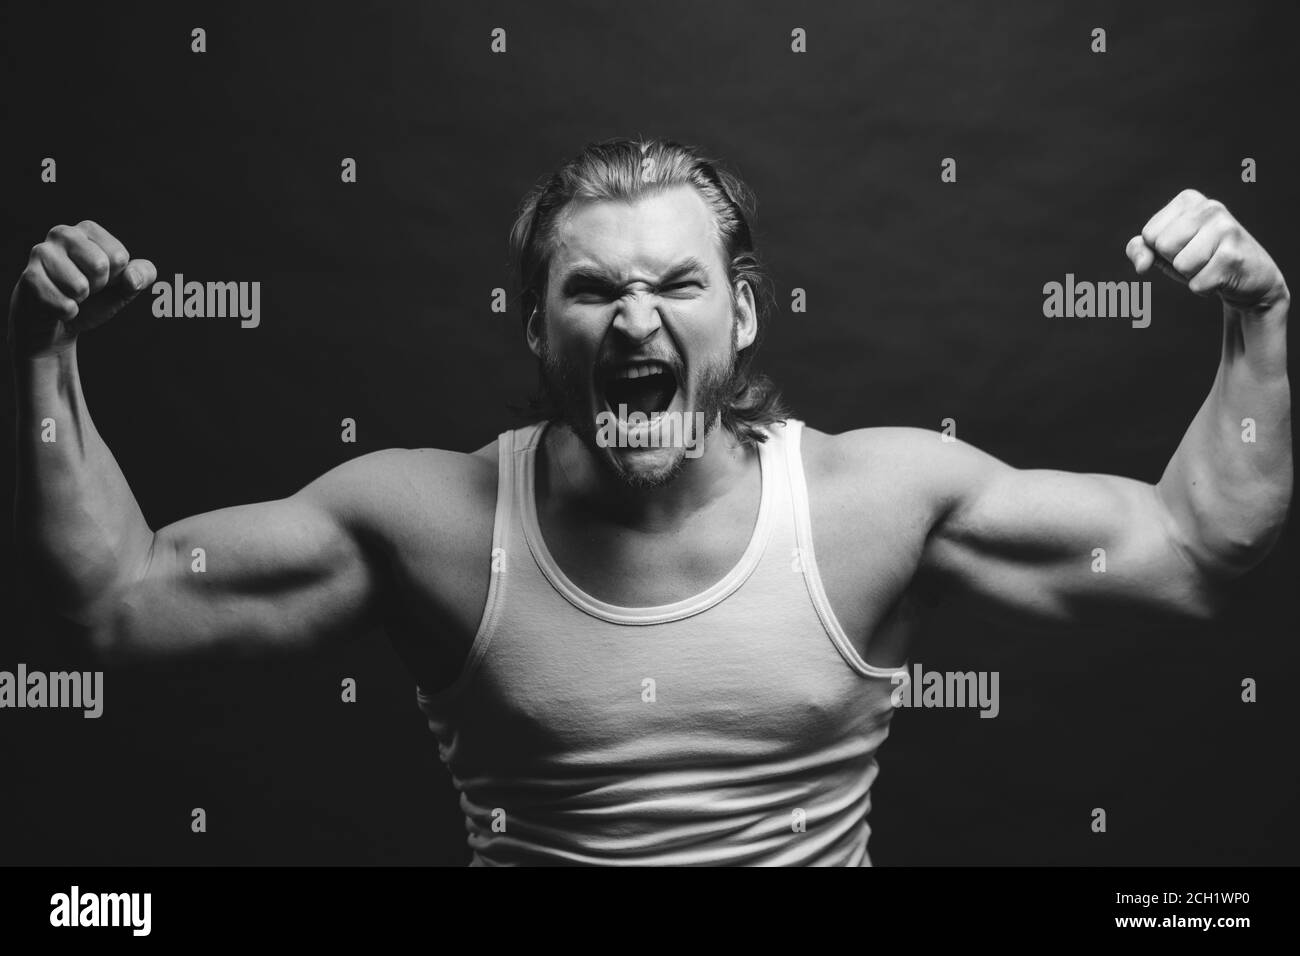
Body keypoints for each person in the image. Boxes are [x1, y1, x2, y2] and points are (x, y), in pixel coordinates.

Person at [9, 138, 1291, 865]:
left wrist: (1259, 316)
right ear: (533, 329)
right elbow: (120, 606)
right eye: (591, 291)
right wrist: (43, 356)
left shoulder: (876, 502)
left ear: (738, 313)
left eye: (676, 283)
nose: (635, 317)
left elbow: (1190, 550)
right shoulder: (428, 523)